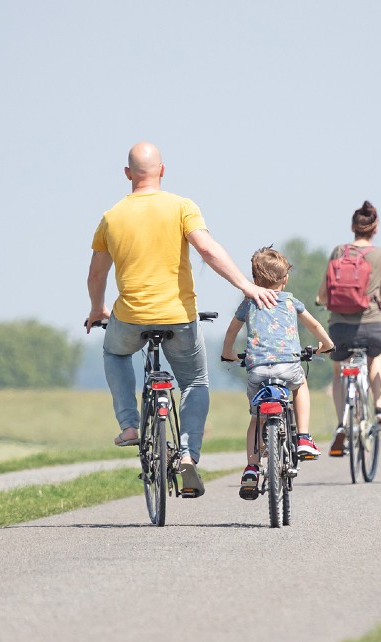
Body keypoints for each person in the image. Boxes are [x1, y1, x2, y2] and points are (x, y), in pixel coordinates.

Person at [86, 142, 277, 498]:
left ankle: (129, 425)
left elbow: (96, 275)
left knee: (114, 353)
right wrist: (246, 286)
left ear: (128, 174)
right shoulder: (181, 207)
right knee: (194, 382)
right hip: (179, 318)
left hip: (129, 318)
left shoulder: (111, 217)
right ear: (162, 170)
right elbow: (207, 249)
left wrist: (98, 309)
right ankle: (188, 454)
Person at [221, 247, 335, 500]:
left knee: (255, 417)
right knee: (300, 385)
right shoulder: (291, 301)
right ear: (285, 279)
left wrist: (228, 353)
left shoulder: (249, 302)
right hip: (288, 366)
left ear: (254, 281)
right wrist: (326, 345)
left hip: (258, 370)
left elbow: (231, 332)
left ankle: (251, 467)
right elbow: (314, 325)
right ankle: (304, 437)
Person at [315, 200, 381, 457]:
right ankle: (379, 406)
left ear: (352, 228)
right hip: (372, 325)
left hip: (340, 328)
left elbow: (322, 294)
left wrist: (321, 301)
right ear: (375, 229)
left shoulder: (337, 252)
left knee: (338, 370)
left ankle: (341, 424)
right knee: (375, 356)